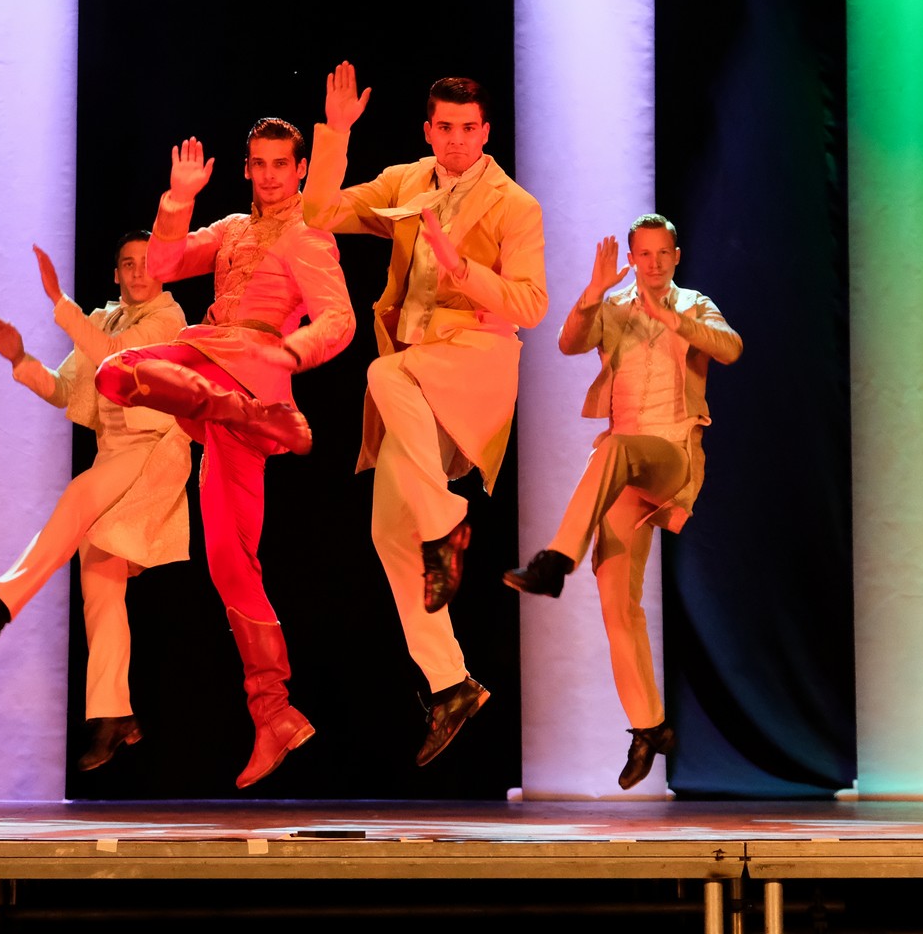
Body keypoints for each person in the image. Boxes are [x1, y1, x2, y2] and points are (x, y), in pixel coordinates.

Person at [94, 120, 354, 788]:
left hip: (246, 362)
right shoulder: (232, 229)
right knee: (230, 561)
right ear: (245, 168)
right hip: (227, 394)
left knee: (117, 372)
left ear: (300, 169)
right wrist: (178, 199)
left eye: (281, 164)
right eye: (259, 164)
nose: (269, 176)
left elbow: (339, 318)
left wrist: (291, 351)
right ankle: (274, 711)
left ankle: (251, 411)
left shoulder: (308, 235)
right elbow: (161, 266)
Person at [301, 62, 546, 765]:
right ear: (428, 130)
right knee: (388, 532)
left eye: (469, 128)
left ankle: (446, 525)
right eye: (446, 127)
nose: (457, 139)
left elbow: (531, 304)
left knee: (381, 372)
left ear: (486, 131)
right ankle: (451, 683)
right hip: (414, 381)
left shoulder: (514, 205)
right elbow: (320, 215)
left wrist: (461, 267)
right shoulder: (407, 181)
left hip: (471, 363)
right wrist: (336, 134)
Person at [504, 216, 741, 789]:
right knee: (618, 606)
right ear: (632, 259)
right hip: (623, 475)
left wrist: (673, 318)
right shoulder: (614, 307)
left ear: (677, 256)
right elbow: (568, 342)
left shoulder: (694, 304)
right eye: (644, 254)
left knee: (615, 447)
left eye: (663, 253)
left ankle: (555, 560)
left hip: (670, 458)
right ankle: (650, 727)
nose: (654, 263)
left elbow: (730, 348)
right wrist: (592, 293)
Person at [0, 231, 195, 771]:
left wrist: (59, 301)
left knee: (79, 492)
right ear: (115, 273)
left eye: (147, 263)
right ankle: (113, 714)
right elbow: (65, 389)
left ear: (164, 271)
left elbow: (116, 357)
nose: (138, 272)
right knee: (100, 585)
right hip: (113, 456)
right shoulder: (103, 320)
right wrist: (21, 358)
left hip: (153, 452)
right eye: (127, 263)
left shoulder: (169, 319)